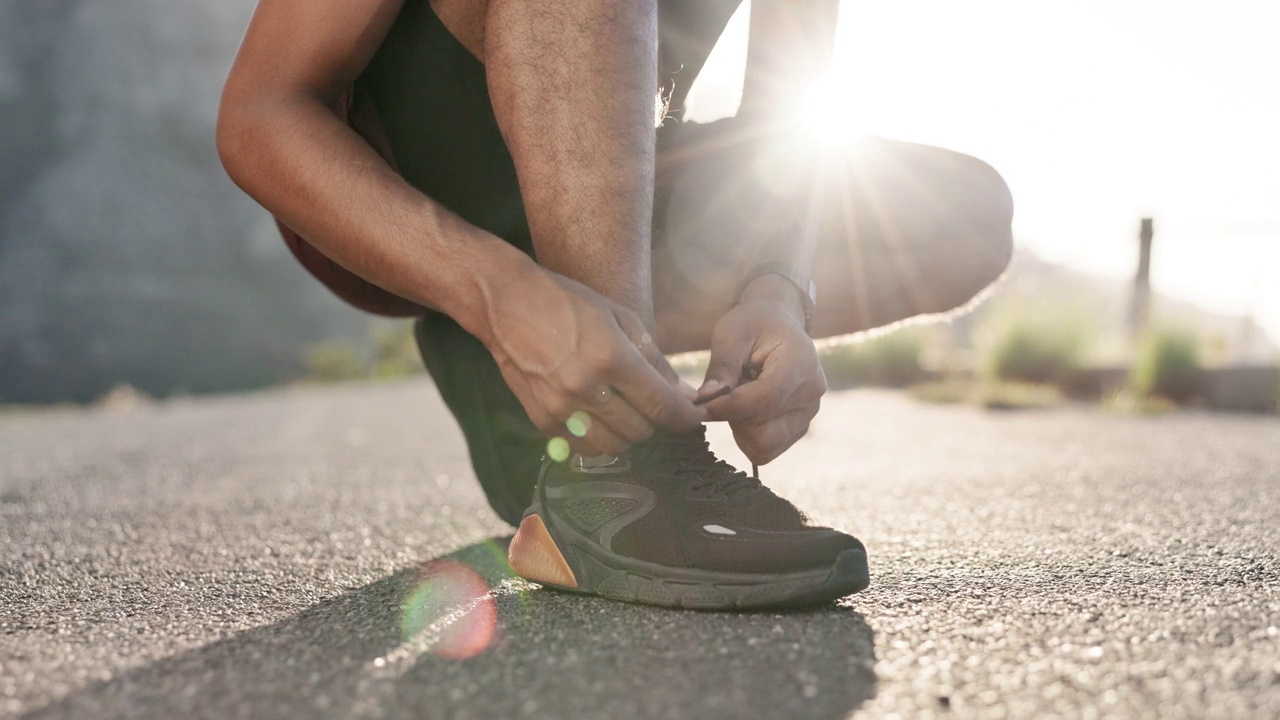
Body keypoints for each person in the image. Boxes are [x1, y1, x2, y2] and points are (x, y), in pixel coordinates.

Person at [216, 0, 1013, 609]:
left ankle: (592, 367)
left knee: (970, 215)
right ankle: (612, 463)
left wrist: (778, 289)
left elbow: (790, 121)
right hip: (410, 190)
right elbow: (263, 110)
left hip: (614, 166)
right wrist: (493, 294)